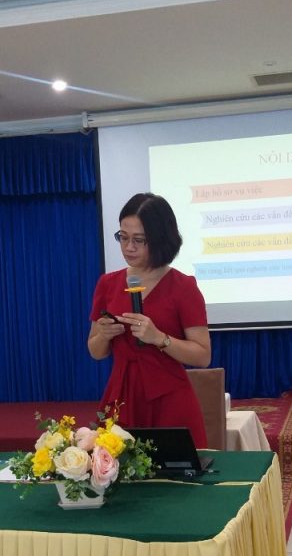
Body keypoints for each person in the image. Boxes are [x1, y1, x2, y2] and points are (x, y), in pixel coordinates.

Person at [87, 192, 211, 448]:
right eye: (123, 237)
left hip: (169, 398)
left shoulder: (183, 287)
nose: (128, 247)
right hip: (121, 395)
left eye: (138, 240)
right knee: (116, 469)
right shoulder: (107, 284)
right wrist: (104, 336)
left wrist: (159, 338)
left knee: (175, 470)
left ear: (160, 239)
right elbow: (95, 351)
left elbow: (202, 355)